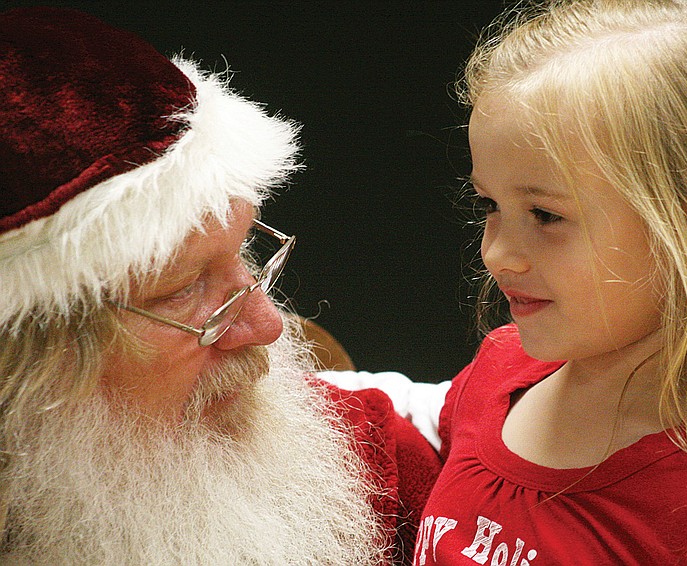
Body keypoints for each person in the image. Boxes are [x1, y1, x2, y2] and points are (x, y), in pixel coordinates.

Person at [325, 0, 687, 563]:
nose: (497, 253)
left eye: (547, 216)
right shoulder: (500, 372)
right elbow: (406, 423)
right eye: (489, 206)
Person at [0, 7, 441, 564]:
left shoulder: (370, 463)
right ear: (23, 363)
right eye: (184, 288)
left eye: (243, 254)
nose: (267, 326)